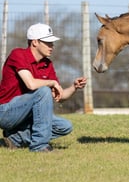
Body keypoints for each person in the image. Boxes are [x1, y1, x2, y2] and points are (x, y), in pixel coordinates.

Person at [0, 23, 87, 152]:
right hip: (5, 112)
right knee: (43, 91)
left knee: (64, 126)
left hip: (26, 115)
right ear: (35, 42)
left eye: (52, 42)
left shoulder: (47, 64)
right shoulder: (18, 54)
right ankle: (39, 146)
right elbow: (31, 84)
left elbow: (60, 96)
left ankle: (16, 139)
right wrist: (51, 83)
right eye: (48, 42)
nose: (52, 46)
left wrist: (74, 87)